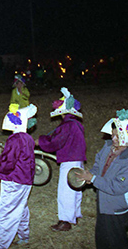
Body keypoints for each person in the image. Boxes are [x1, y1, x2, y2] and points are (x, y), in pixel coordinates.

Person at [74, 108, 128, 249]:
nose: (113, 139)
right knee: (102, 238)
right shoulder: (109, 147)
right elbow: (98, 165)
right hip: (104, 202)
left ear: (127, 138)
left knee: (116, 241)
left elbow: (117, 187)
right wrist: (89, 176)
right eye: (113, 135)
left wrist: (94, 179)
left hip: (116, 207)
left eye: (117, 136)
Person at [37, 88, 86, 232]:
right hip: (77, 159)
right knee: (76, 188)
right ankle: (75, 215)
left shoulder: (67, 125)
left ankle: (65, 221)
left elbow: (55, 143)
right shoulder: (76, 123)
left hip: (70, 160)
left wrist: (40, 142)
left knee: (66, 191)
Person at [0, 103, 37, 248]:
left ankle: (2, 244)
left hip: (14, 180)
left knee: (7, 211)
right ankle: (24, 236)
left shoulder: (14, 139)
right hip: (26, 180)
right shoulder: (28, 138)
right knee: (21, 207)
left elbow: (7, 163)